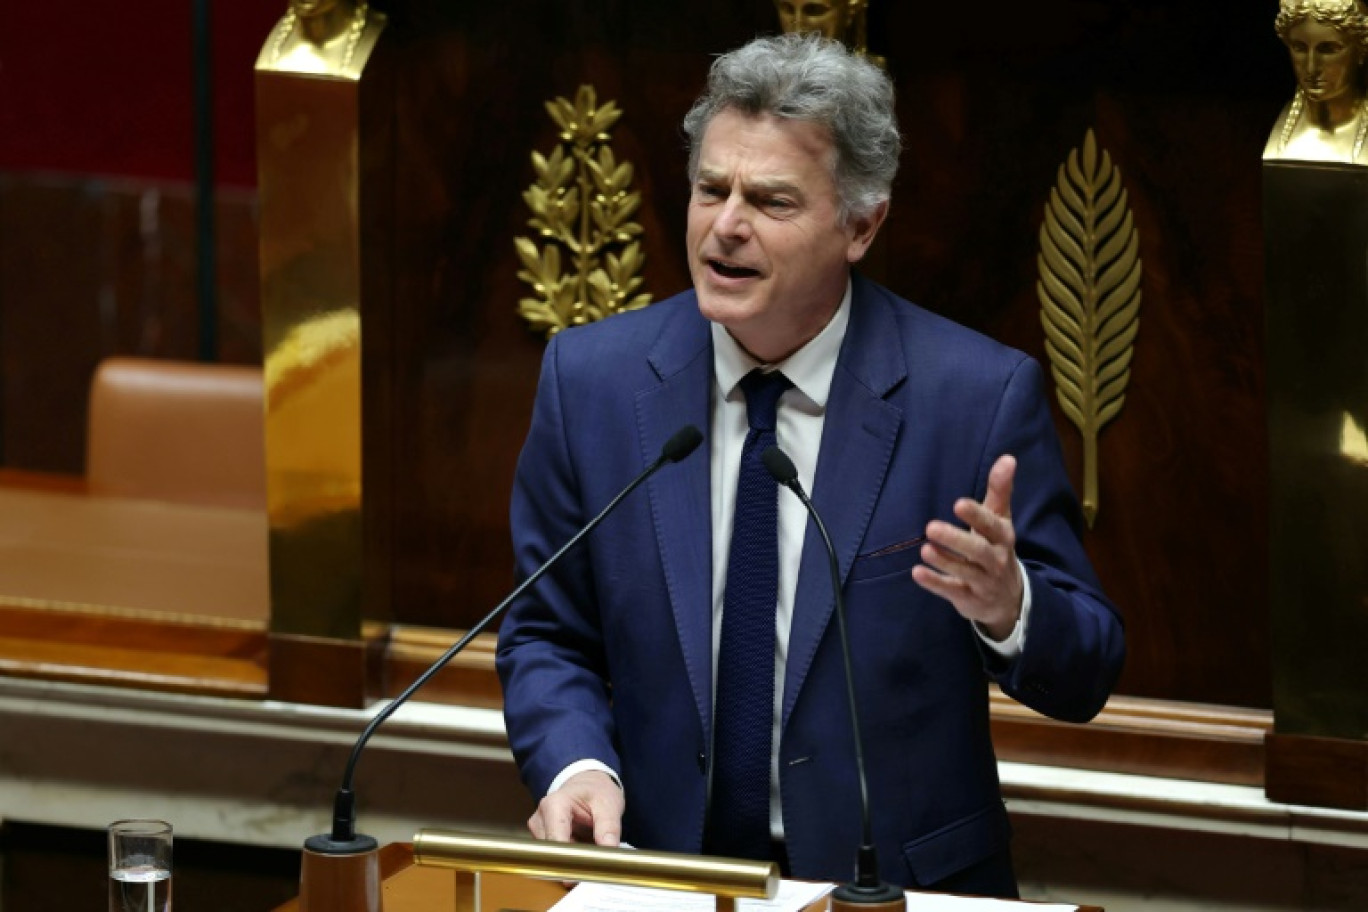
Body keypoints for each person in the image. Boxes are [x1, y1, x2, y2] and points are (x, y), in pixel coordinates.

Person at [496, 33, 1125, 897]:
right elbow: (546, 633)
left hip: (891, 888)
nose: (726, 225)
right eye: (711, 188)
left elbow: (1089, 670)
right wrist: (575, 766)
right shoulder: (593, 383)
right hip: (662, 879)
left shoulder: (975, 398)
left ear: (861, 226)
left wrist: (1011, 608)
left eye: (772, 200)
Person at [1266, 0, 1368, 164]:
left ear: (1361, 51)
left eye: (1328, 49)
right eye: (1299, 48)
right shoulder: (1281, 138)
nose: (1311, 67)